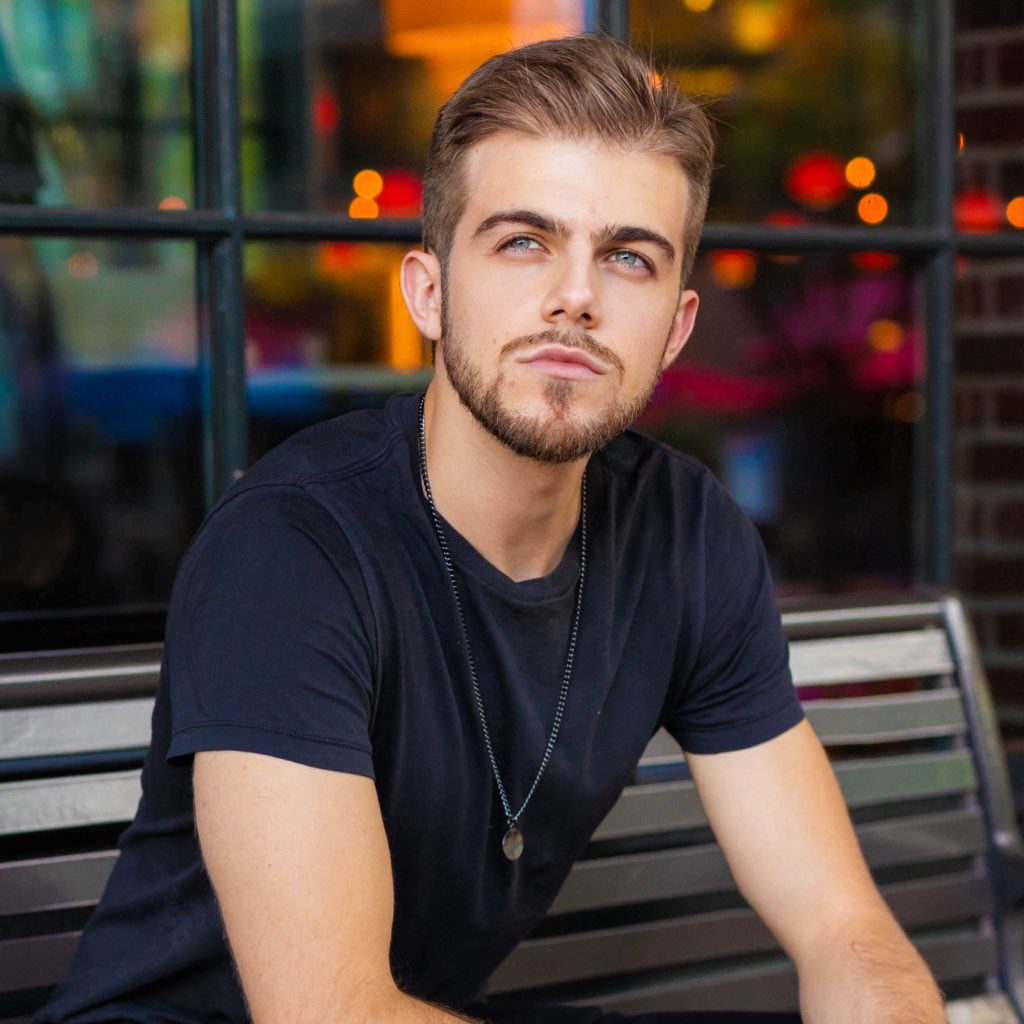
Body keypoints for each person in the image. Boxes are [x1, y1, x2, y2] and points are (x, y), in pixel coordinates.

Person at [37, 33, 946, 1024]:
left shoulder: (685, 533)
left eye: (627, 258)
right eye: (523, 242)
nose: (575, 297)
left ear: (676, 327)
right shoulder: (294, 549)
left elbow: (841, 924)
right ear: (428, 291)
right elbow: (331, 1013)